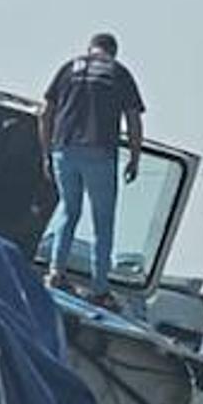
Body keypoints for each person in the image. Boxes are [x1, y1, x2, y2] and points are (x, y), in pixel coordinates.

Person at [40, 33, 145, 309]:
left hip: (64, 149)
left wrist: (47, 152)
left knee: (68, 211)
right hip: (99, 151)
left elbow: (45, 112)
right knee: (103, 222)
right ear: (113, 52)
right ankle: (100, 289)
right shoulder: (118, 73)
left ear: (90, 49)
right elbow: (133, 119)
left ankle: (55, 273)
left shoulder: (68, 68)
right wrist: (134, 158)